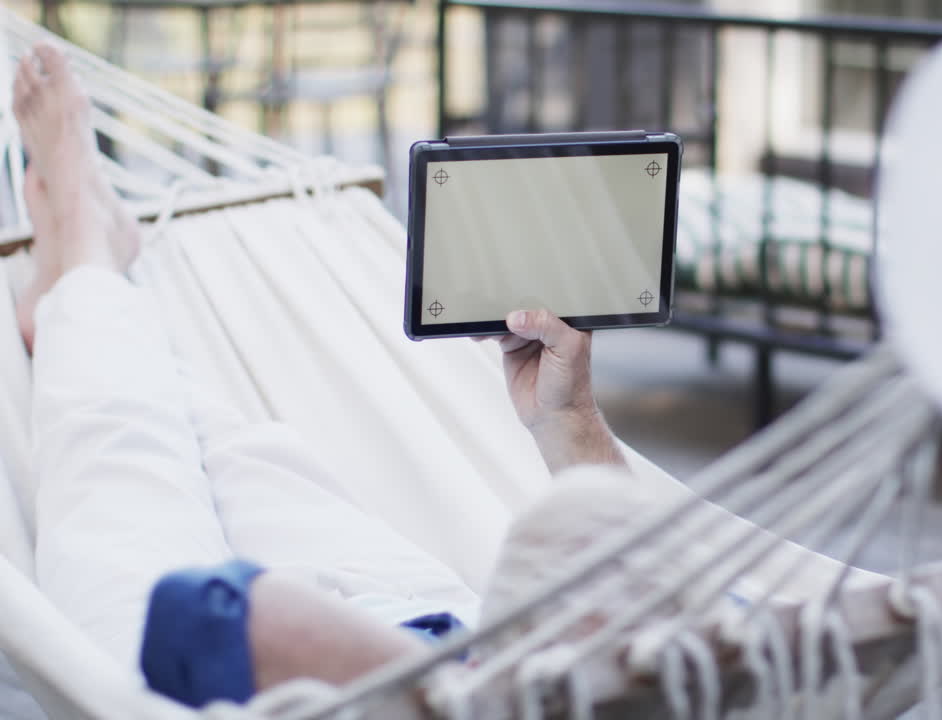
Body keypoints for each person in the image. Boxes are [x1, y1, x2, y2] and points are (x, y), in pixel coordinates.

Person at [11, 43, 630, 709]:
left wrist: (447, 694)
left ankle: (81, 261)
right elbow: (662, 590)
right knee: (240, 455)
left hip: (366, 685)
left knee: (128, 460)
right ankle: (82, 290)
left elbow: (201, 617)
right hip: (440, 628)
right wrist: (569, 419)